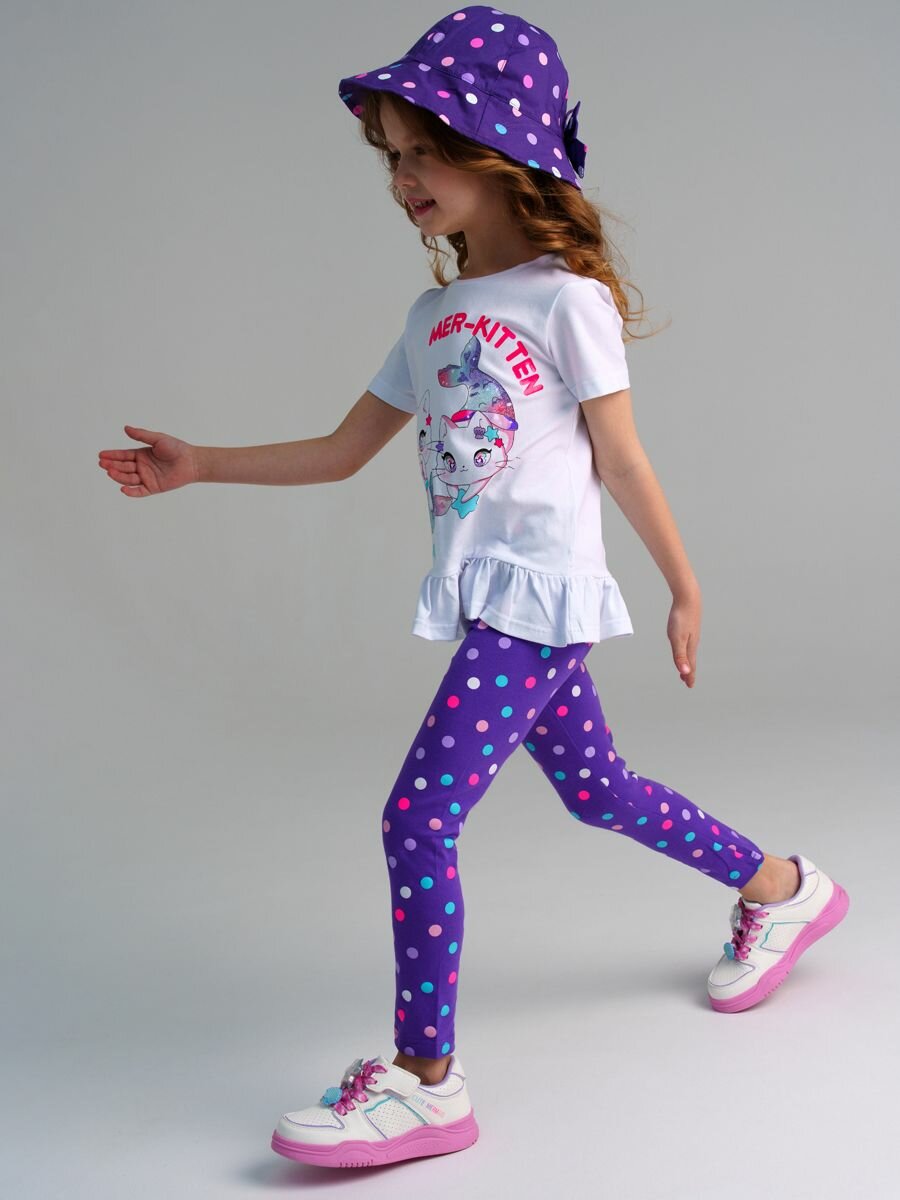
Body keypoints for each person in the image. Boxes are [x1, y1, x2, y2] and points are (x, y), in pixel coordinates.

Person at [97, 4, 850, 1171]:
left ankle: (425, 1082)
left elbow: (622, 458)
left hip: (540, 596)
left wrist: (684, 587)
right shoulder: (432, 316)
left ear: (497, 150)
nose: (402, 177)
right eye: (391, 157)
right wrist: (203, 465)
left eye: (424, 151)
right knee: (598, 790)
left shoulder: (566, 298)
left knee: (417, 819)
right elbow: (341, 451)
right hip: (491, 598)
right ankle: (785, 887)